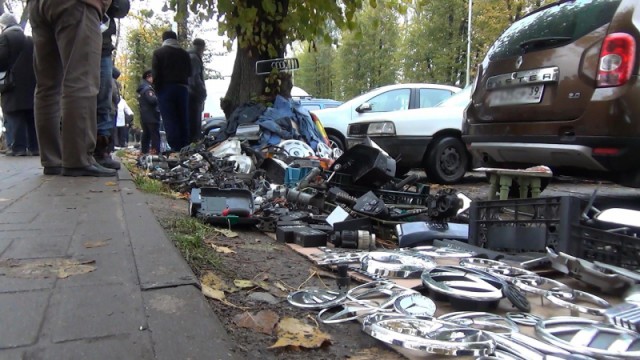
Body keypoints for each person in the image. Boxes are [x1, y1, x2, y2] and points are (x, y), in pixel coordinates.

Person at [28, 0, 115, 177]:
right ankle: (78, 158)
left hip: (37, 6)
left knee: (47, 85)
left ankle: (52, 159)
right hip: (77, 4)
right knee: (81, 78)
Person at [93, 0, 129, 169]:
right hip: (76, 39)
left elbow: (122, 8)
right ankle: (73, 149)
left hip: (102, 46)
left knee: (103, 98)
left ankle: (101, 150)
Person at [0, 14, 38, 157]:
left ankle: (18, 147)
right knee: (31, 116)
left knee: (14, 114)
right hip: (31, 83)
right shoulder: (30, 39)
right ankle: (35, 147)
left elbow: (1, 59)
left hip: (12, 83)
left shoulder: (5, 38)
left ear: (4, 25)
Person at [152, 30, 191, 152]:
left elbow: (156, 74)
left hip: (165, 89)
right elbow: (189, 71)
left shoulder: (158, 53)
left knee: (170, 119)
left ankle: (175, 147)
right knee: (183, 117)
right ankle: (185, 145)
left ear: (163, 39)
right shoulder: (184, 54)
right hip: (182, 88)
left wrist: (157, 89)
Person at [137, 70, 161, 155]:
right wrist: (159, 97)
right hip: (152, 115)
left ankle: (144, 151)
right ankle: (155, 152)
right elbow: (152, 100)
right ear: (148, 77)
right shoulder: (147, 89)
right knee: (154, 135)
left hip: (145, 116)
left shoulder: (142, 88)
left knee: (146, 134)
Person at [187, 38, 207, 143]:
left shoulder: (188, 56)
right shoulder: (194, 58)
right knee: (195, 124)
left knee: (191, 123)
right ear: (202, 48)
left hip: (189, 94)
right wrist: (203, 92)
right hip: (194, 95)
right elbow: (195, 79)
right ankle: (193, 147)